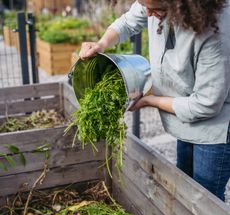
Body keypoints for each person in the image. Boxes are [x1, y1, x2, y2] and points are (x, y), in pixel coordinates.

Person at [79, 0, 230, 202]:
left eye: (157, 9)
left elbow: (206, 104)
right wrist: (101, 44)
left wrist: (152, 100)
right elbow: (128, 21)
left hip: (214, 128)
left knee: (205, 201)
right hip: (184, 113)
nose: (148, 13)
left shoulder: (216, 31)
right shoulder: (159, 3)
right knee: (185, 188)